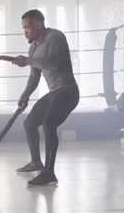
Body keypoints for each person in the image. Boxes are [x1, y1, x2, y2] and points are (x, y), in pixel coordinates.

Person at [12, 9, 79, 187]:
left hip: (68, 92)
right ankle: (36, 162)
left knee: (49, 124)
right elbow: (35, 77)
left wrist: (27, 61)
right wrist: (25, 95)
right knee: (29, 123)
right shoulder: (33, 47)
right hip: (53, 93)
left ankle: (49, 173)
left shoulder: (55, 37)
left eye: (27, 27)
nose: (24, 31)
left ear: (38, 25)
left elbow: (53, 64)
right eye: (23, 28)